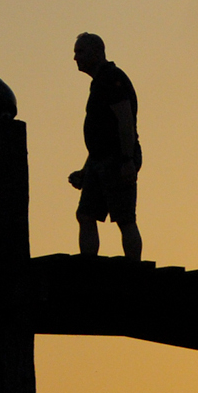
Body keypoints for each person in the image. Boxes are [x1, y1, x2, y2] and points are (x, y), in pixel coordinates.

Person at [70, 32, 143, 260]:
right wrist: (85, 170)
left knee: (124, 218)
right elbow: (100, 135)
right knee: (85, 214)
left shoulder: (112, 78)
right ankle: (89, 264)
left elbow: (125, 120)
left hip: (117, 159)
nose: (75, 57)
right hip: (100, 159)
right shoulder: (101, 82)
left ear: (97, 52)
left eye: (80, 51)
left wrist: (127, 160)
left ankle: (135, 267)